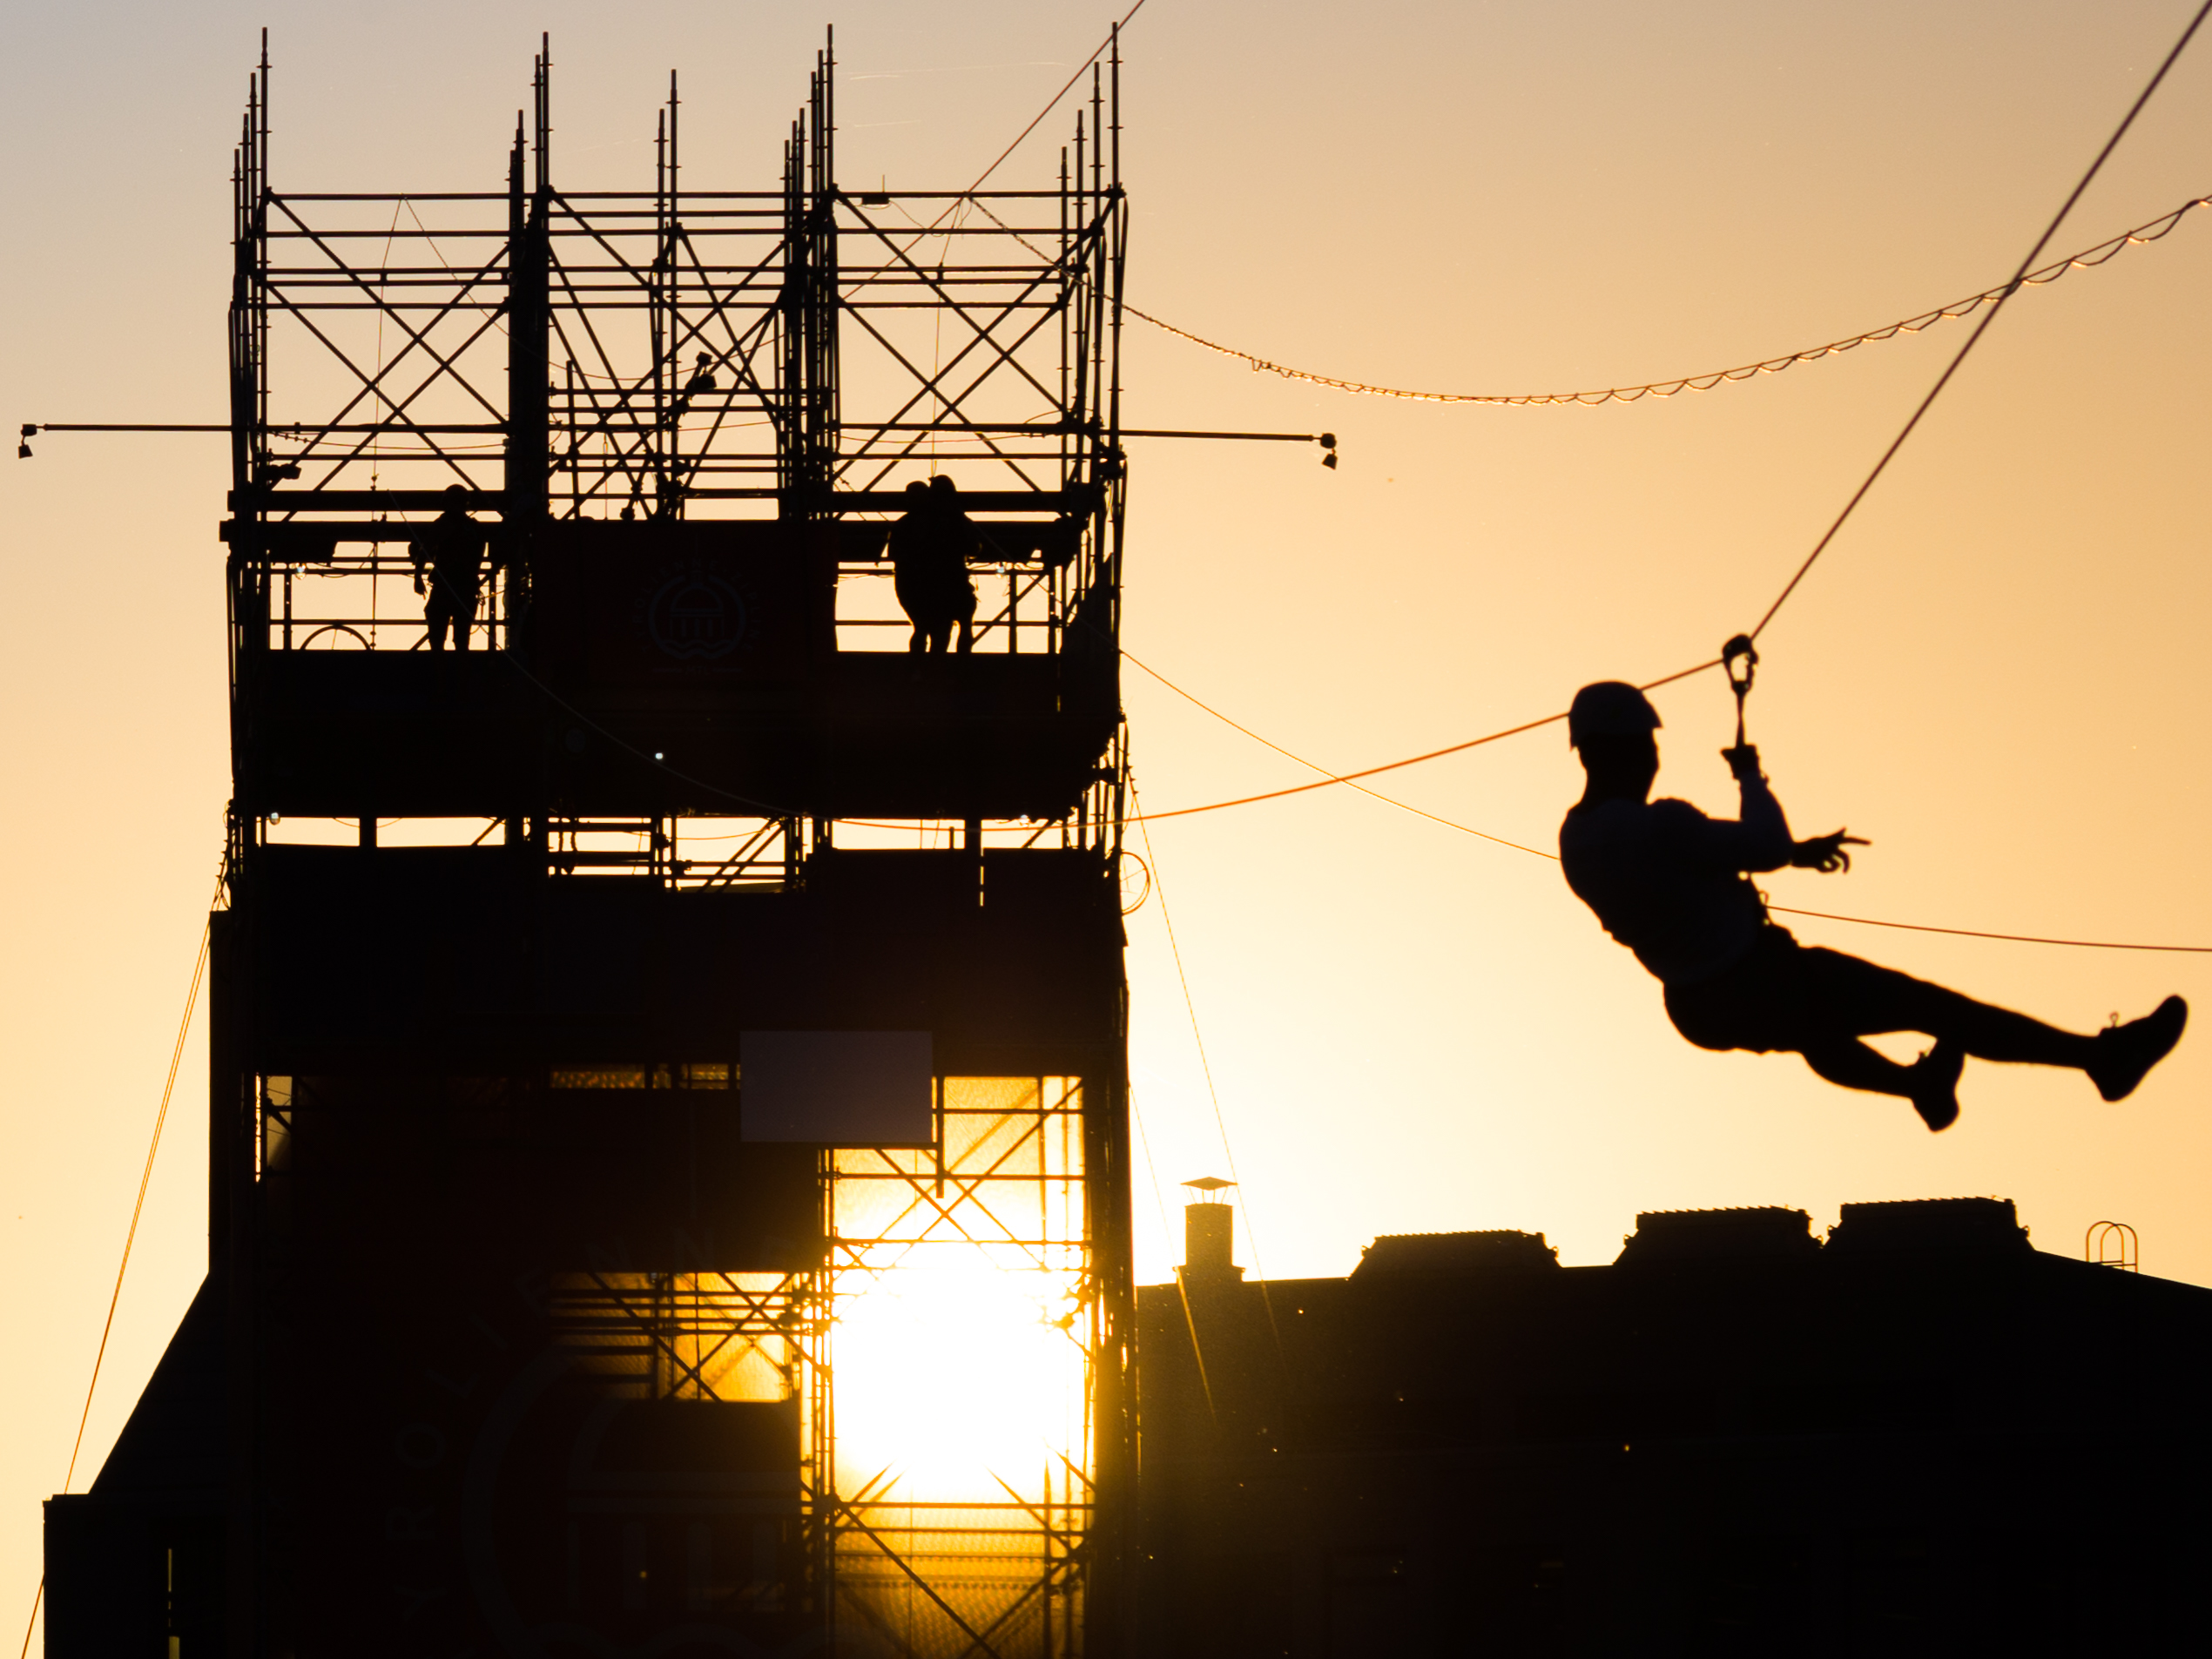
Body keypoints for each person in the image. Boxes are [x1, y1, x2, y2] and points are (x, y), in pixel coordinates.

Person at [1558, 680, 2186, 1131]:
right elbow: (1760, 845)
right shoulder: (1662, 824)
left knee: (1814, 1032)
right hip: (1760, 975)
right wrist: (1751, 775)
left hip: (1697, 1008)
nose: (1654, 759)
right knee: (1930, 1007)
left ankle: (1918, 1085)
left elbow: (1682, 869)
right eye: (1648, 747)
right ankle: (2100, 1059)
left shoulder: (1576, 840)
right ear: (1634, 749)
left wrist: (1794, 854)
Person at [886, 475, 980, 655]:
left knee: (926, 628)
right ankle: (960, 665)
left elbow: (896, 555)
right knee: (957, 625)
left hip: (917, 584)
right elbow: (974, 548)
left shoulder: (906, 524)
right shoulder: (954, 520)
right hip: (948, 581)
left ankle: (923, 667)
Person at [410, 485, 499, 652]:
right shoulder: (476, 529)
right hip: (466, 590)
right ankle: (460, 672)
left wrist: (418, 578)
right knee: (462, 639)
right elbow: (478, 558)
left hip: (445, 588)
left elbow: (424, 552)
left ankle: (441, 672)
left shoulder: (443, 524)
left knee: (437, 637)